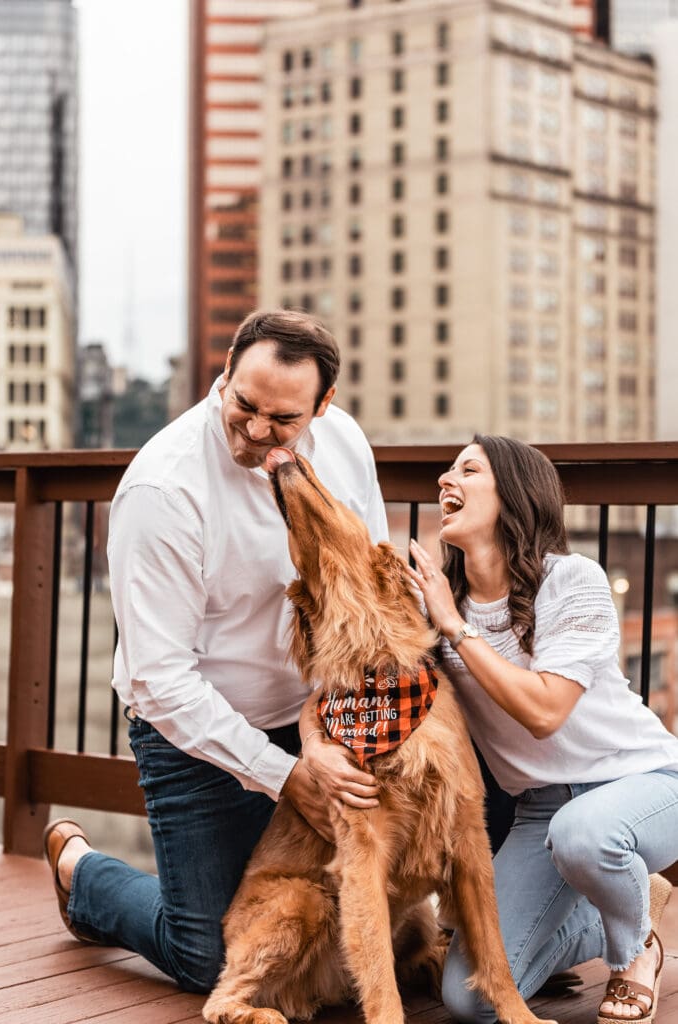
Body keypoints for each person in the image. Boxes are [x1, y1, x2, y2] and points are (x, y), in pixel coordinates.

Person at [43, 309, 383, 992]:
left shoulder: (344, 442)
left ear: (323, 406)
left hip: (314, 716)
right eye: (243, 405)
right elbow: (162, 682)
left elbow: (363, 586)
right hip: (190, 736)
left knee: (350, 934)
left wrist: (322, 737)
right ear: (222, 375)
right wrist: (285, 776)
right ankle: (83, 871)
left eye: (283, 420)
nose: (256, 432)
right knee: (210, 960)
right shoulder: (162, 490)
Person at [405, 434, 678, 1024]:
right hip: (540, 813)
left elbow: (545, 709)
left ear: (513, 493)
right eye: (447, 470)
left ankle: (635, 952)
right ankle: (624, 904)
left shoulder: (572, 579)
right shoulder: (439, 600)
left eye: (467, 470)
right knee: (472, 999)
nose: (445, 481)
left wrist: (454, 628)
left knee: (586, 833)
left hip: (647, 782)